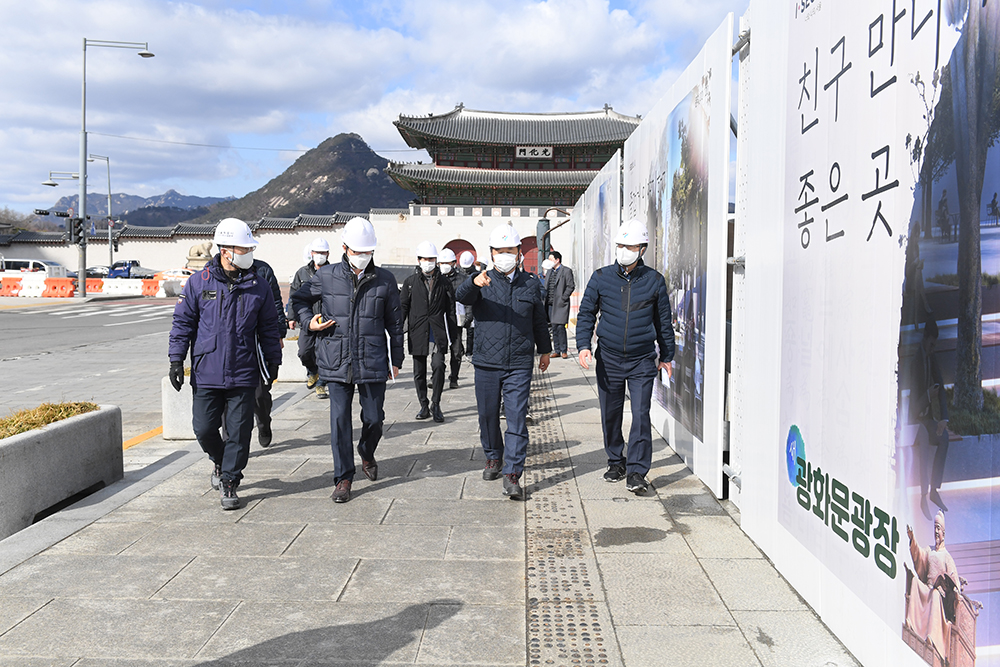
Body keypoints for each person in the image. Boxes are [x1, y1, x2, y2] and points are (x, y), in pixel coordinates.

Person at [168, 218, 282, 510]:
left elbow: (269, 327)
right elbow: (183, 323)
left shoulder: (259, 285)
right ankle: (220, 461)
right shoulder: (198, 283)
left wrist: (273, 362)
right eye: (243, 248)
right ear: (226, 249)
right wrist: (176, 359)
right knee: (204, 429)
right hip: (207, 371)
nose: (248, 253)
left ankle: (230, 481)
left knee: (240, 433)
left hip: (244, 372)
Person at [289, 217, 404, 504]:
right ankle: (343, 477)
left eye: (368, 252)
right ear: (344, 248)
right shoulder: (326, 276)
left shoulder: (386, 280)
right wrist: (308, 322)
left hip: (372, 359)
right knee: (339, 421)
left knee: (375, 418)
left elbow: (396, 322)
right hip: (335, 358)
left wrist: (398, 357)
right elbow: (297, 300)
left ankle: (366, 450)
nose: (363, 256)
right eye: (358, 251)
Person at [576, 219, 675, 495]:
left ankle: (637, 471)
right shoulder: (601, 277)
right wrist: (584, 344)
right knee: (611, 412)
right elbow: (586, 313)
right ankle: (616, 460)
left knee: (641, 414)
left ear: (641, 249)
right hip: (608, 358)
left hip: (642, 359)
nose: (624, 250)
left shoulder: (654, 281)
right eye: (620, 245)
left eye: (630, 246)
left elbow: (663, 322)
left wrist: (667, 355)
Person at [456, 223, 551, 500]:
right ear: (492, 253)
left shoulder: (531, 284)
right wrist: (472, 282)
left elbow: (539, 321)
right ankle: (493, 457)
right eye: (500, 251)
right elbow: (461, 297)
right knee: (487, 416)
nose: (505, 255)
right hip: (487, 361)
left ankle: (512, 473)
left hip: (519, 362)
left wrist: (545, 350)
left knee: (517, 419)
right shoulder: (481, 280)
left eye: (510, 250)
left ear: (519, 253)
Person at [400, 241, 458, 423]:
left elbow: (450, 310)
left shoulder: (444, 282)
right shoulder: (410, 283)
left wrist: (454, 337)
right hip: (417, 330)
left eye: (431, 259)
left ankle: (436, 404)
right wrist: (397, 332)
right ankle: (423, 405)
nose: (428, 262)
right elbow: (402, 308)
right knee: (419, 371)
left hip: (437, 331)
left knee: (439, 365)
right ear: (418, 260)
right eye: (425, 259)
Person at [907, 317, 950, 519]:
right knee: (923, 434)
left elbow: (940, 386)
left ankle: (934, 491)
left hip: (927, 419)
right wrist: (927, 396)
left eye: (935, 345)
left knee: (944, 437)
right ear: (925, 340)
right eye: (931, 344)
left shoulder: (931, 358)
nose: (933, 348)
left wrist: (944, 419)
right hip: (913, 423)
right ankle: (923, 496)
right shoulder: (915, 362)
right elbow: (913, 407)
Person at [905, 511, 961, 659]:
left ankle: (932, 637)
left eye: (938, 529)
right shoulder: (930, 551)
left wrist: (950, 586)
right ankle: (911, 622)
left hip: (940, 598)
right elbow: (919, 556)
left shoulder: (947, 557)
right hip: (927, 589)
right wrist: (912, 538)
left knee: (935, 594)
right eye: (934, 529)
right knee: (916, 582)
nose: (936, 532)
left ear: (944, 533)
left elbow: (955, 582)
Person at [287, 238, 331, 399]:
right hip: (307, 319)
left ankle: (321, 385)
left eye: (323, 252)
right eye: (317, 252)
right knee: (304, 351)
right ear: (311, 253)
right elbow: (294, 296)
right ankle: (312, 371)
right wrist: (292, 317)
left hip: (327, 320)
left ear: (328, 253)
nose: (320, 255)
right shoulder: (302, 273)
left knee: (325, 354)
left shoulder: (333, 272)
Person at [437, 248, 466, 389]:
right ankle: (436, 376)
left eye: (447, 262)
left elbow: (468, 299)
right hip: (438, 319)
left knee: (456, 350)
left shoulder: (462, 279)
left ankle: (454, 377)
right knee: (437, 350)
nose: (444, 265)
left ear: (454, 263)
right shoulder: (435, 279)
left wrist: (468, 317)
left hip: (455, 319)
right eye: (441, 262)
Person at [545, 251, 575, 359]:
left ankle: (563, 350)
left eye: (551, 259)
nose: (549, 261)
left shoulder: (566, 271)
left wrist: (563, 298)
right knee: (553, 327)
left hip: (561, 304)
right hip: (550, 304)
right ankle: (556, 350)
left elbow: (570, 286)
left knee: (560, 327)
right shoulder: (549, 272)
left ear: (557, 260)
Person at [459, 251, 477, 356]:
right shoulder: (458, 274)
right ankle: (460, 349)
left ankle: (469, 351)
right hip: (460, 305)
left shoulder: (475, 274)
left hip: (472, 305)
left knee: (471, 331)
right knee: (458, 330)